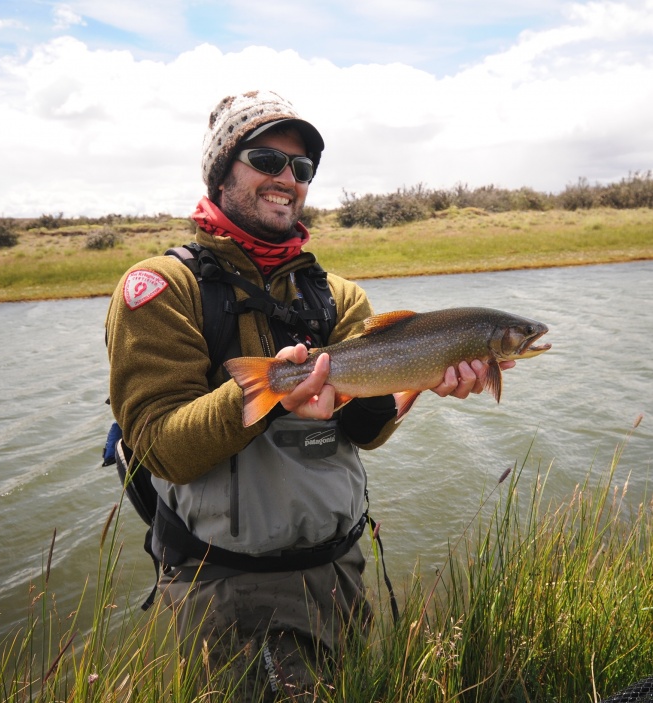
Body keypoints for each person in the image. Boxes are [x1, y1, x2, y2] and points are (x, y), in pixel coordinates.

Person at [105, 90, 511, 699]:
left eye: (301, 168)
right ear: (222, 171)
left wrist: (427, 376)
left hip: (341, 574)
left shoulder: (337, 296)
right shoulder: (161, 288)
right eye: (267, 158)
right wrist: (273, 392)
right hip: (227, 587)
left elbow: (367, 432)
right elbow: (162, 451)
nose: (287, 179)